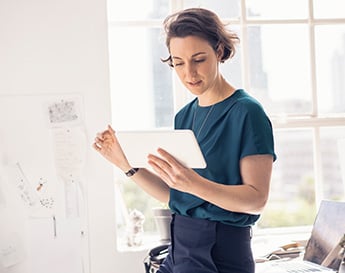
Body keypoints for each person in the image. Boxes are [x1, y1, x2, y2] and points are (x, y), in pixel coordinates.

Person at [93, 7, 276, 273]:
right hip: (179, 248)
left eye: (198, 59)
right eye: (178, 62)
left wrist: (195, 183)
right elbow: (176, 196)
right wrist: (125, 165)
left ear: (220, 52)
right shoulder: (185, 116)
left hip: (221, 253)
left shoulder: (247, 112)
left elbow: (256, 199)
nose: (188, 73)